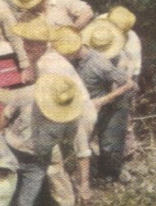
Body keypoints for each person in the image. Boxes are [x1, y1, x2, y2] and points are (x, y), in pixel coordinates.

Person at [13, 18, 97, 205]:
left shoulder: (52, 66)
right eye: (25, 41)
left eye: (32, 43)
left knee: (74, 152)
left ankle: (74, 197)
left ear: (44, 43)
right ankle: (66, 197)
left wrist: (85, 186)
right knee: (55, 158)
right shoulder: (42, 58)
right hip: (56, 107)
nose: (26, 46)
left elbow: (81, 148)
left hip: (76, 110)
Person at [0, 73, 87, 206]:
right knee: (4, 198)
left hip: (37, 161)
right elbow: (6, 115)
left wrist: (84, 184)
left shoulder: (71, 116)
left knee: (24, 205)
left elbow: (82, 151)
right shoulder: (26, 94)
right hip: (11, 151)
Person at [57, 20, 137, 182]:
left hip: (114, 104)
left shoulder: (99, 63)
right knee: (81, 141)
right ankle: (96, 170)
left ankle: (111, 177)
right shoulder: (74, 60)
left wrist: (102, 100)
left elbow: (130, 84)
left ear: (74, 50)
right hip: (92, 105)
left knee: (109, 145)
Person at [107, 5, 142, 159]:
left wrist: (130, 88)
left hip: (122, 79)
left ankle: (127, 150)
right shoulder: (102, 24)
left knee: (123, 115)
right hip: (104, 73)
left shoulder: (132, 42)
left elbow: (134, 71)